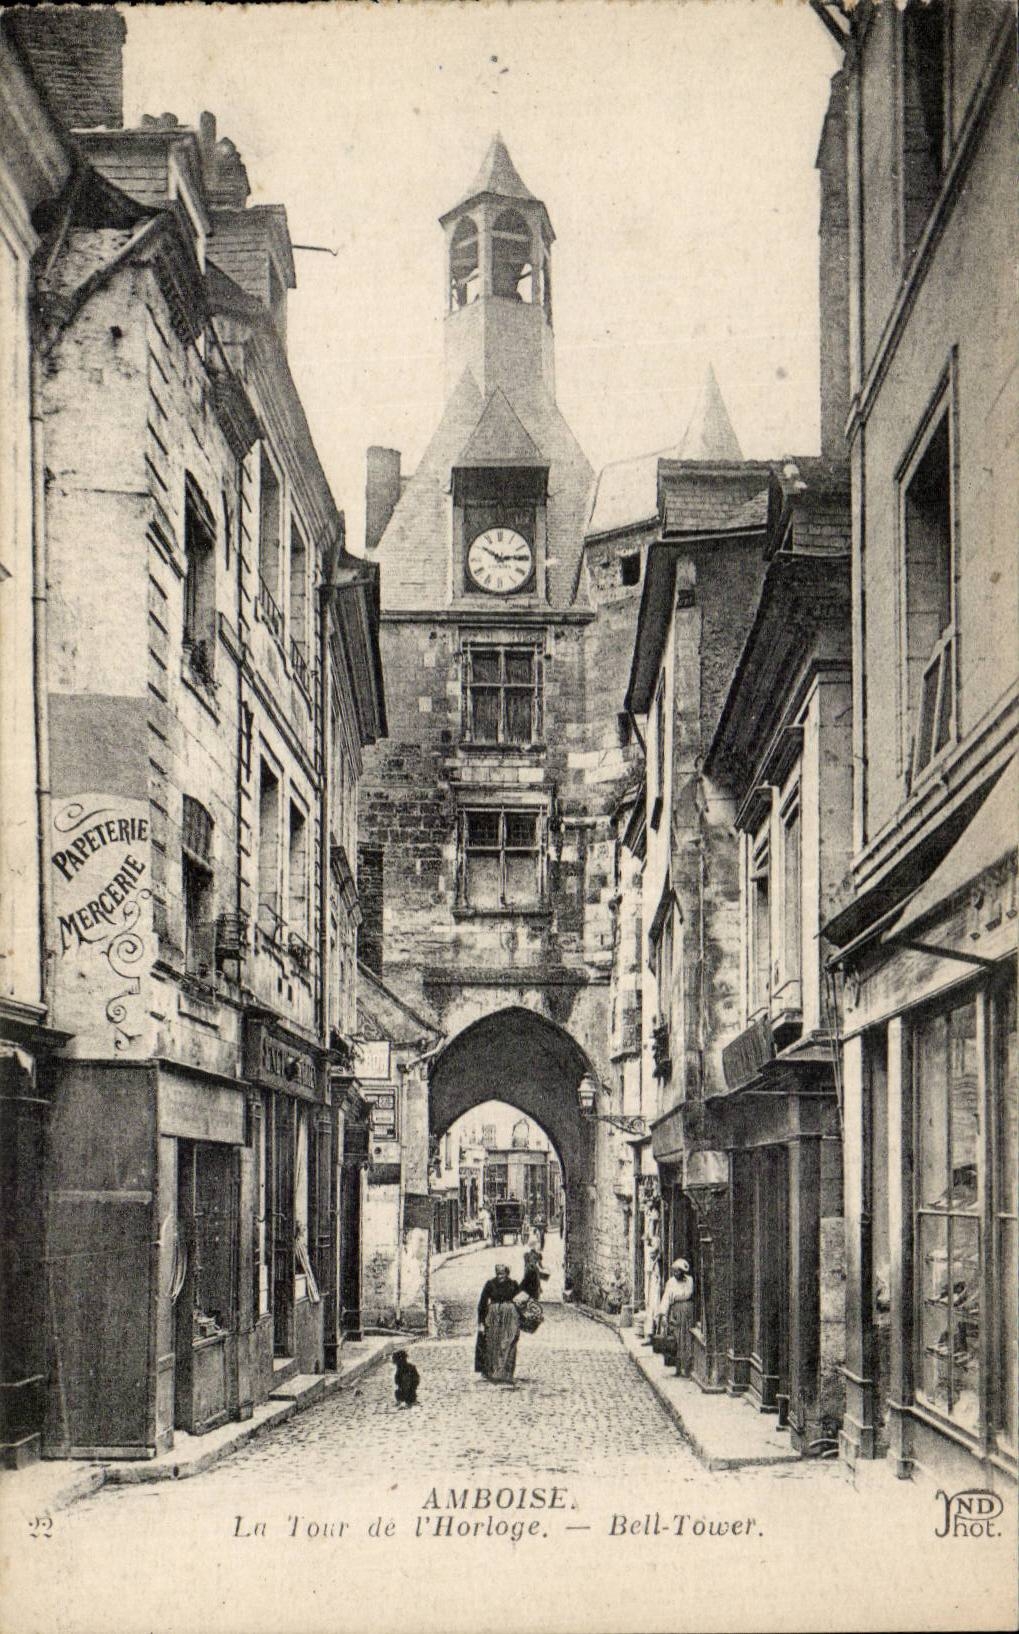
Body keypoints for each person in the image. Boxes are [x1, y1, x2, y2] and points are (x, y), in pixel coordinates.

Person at [476, 1262, 521, 1384]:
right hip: (493, 1316)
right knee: (493, 1342)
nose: (500, 1275)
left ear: (507, 1273)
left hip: (510, 1317)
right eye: (498, 1273)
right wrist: (481, 1322)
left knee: (509, 1342)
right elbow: (482, 1303)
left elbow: (521, 1300)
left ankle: (507, 1373)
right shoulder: (490, 1284)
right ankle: (494, 1371)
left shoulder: (513, 1284)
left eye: (502, 1273)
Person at [658, 1257, 695, 1377]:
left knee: (687, 1339)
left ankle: (688, 1368)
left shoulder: (690, 1280)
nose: (676, 1273)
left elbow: (690, 1293)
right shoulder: (671, 1282)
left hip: (688, 1313)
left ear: (683, 1272)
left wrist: (682, 1298)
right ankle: (678, 1369)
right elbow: (666, 1299)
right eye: (674, 1271)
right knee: (677, 1339)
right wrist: (663, 1315)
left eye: (678, 1271)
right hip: (676, 1313)